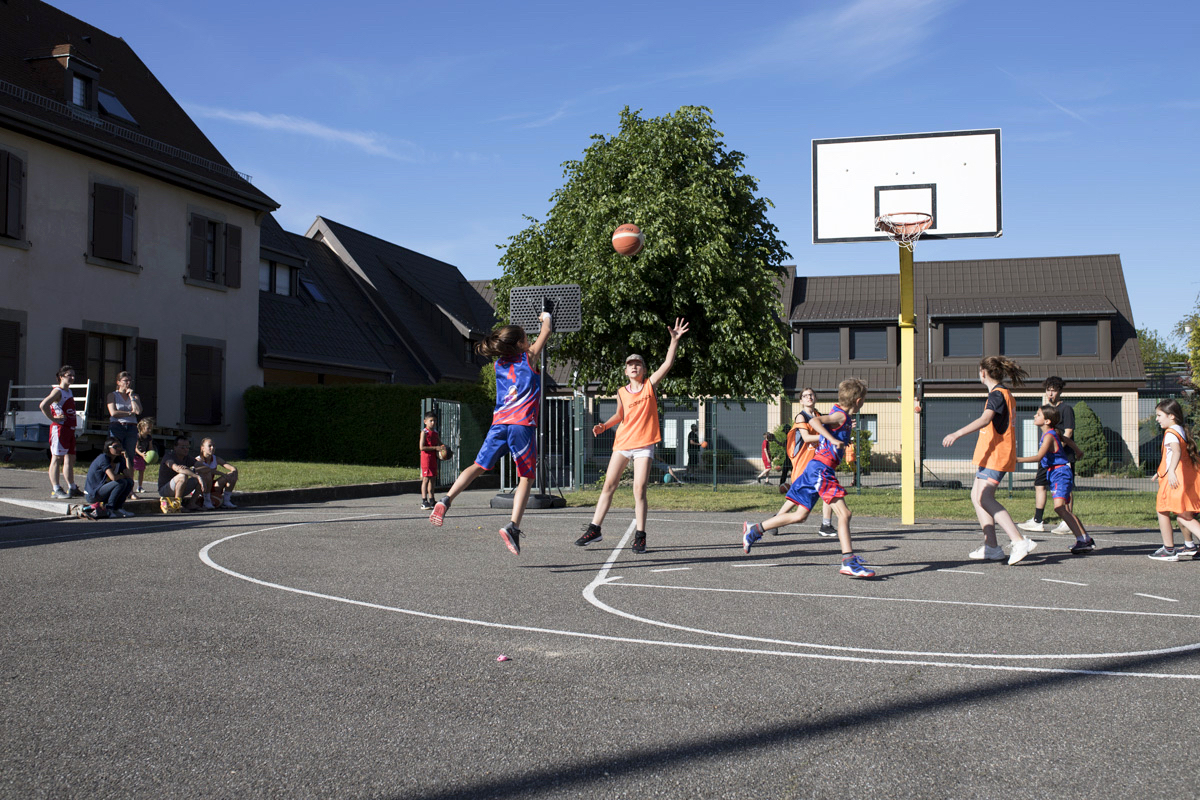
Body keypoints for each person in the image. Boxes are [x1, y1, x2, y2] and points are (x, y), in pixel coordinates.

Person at [430, 312, 553, 556]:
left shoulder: (499, 364)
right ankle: (513, 526)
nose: (529, 341)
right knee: (526, 478)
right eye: (526, 338)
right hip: (521, 424)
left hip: (499, 423)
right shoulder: (528, 357)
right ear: (519, 344)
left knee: (477, 466)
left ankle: (446, 500)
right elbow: (547, 330)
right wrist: (545, 316)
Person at [740, 378, 876, 579]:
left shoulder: (842, 416)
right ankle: (849, 561)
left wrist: (841, 432)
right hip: (821, 470)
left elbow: (833, 424)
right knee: (845, 514)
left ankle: (755, 529)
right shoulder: (839, 415)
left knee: (800, 516)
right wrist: (831, 438)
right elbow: (814, 421)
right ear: (858, 401)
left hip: (816, 469)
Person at [576, 318, 690, 554]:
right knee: (609, 485)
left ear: (644, 370)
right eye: (630, 364)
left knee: (639, 490)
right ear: (626, 371)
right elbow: (620, 415)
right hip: (623, 442)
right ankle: (594, 529)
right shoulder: (621, 391)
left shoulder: (650, 385)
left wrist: (674, 341)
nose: (634, 366)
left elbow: (668, 363)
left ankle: (640, 536)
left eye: (638, 364)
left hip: (644, 444)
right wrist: (604, 426)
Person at [942, 356, 1038, 565]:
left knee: (985, 498)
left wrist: (956, 434)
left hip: (997, 455)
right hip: (990, 455)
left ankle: (1019, 541)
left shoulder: (997, 394)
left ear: (983, 373)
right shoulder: (1003, 393)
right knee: (976, 496)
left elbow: (985, 419)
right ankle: (992, 547)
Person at [1016, 405, 1093, 554]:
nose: (1035, 416)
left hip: (1060, 473)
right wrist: (1078, 451)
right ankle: (1085, 539)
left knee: (1060, 508)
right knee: (1064, 509)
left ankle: (1082, 540)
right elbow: (1067, 440)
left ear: (1047, 421)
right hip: (1056, 472)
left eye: (1038, 414)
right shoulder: (1053, 433)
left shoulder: (1049, 436)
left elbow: (1039, 457)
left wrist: (1017, 460)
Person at [1018, 376, 1077, 534]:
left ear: (1060, 391)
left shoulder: (1066, 409)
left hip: (1062, 458)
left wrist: (1057, 449)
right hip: (1047, 458)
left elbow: (1068, 433)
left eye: (1054, 390)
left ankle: (1067, 522)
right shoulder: (1045, 411)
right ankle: (1037, 520)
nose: (1050, 393)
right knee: (1040, 484)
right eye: (1048, 390)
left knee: (1065, 488)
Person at [1148, 398, 1200, 561]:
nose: (1157, 419)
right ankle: (1181, 546)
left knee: (1163, 510)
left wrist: (1170, 471)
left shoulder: (1171, 433)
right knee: (1184, 515)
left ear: (1171, 416)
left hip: (1175, 479)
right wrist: (1161, 471)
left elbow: (1176, 452)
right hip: (1184, 476)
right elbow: (1171, 456)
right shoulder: (1180, 430)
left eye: (1159, 415)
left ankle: (1169, 549)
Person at [39, 365, 80, 499]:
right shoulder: (58, 391)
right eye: (69, 375)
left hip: (70, 428)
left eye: (73, 375)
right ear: (61, 377)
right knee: (57, 458)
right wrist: (53, 418)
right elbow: (43, 405)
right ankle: (56, 488)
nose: (72, 378)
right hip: (60, 429)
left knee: (70, 458)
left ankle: (72, 487)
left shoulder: (69, 391)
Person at [82, 436, 135, 518]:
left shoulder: (119, 459)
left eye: (120, 446)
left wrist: (127, 458)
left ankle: (118, 508)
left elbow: (129, 476)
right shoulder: (103, 458)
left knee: (129, 482)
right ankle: (109, 509)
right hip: (93, 494)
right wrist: (124, 476)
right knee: (121, 482)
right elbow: (113, 477)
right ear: (108, 448)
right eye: (115, 447)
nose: (119, 449)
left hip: (105, 491)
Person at [105, 371, 142, 469]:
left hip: (131, 427)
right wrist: (129, 413)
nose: (128, 383)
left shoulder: (134, 396)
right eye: (125, 381)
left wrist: (132, 397)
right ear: (118, 382)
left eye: (130, 381)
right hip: (117, 426)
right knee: (115, 452)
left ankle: (128, 474)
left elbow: (138, 411)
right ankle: (113, 473)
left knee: (130, 454)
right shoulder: (113, 395)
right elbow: (113, 413)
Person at [158, 435, 203, 511]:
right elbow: (177, 469)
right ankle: (177, 504)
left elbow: (204, 467)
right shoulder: (169, 456)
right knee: (183, 476)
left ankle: (192, 504)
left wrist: (192, 470)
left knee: (202, 476)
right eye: (182, 447)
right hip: (165, 490)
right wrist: (195, 475)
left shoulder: (187, 457)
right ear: (175, 447)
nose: (186, 449)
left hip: (180, 487)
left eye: (187, 447)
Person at [194, 438, 238, 509]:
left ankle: (227, 501)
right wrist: (222, 474)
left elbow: (230, 466)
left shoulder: (216, 458)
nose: (212, 448)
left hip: (211, 484)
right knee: (207, 474)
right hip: (201, 486)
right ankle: (206, 501)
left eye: (214, 446)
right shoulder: (198, 460)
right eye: (209, 446)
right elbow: (208, 470)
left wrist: (234, 471)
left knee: (232, 474)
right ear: (202, 448)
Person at [418, 411, 441, 510]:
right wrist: (435, 448)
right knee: (426, 479)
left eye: (434, 421)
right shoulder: (424, 432)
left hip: (433, 459)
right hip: (426, 459)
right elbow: (422, 447)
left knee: (432, 479)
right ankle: (424, 501)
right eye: (431, 420)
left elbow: (439, 443)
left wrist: (445, 449)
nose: (433, 423)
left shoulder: (435, 433)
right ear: (425, 421)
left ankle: (432, 500)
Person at [132, 416, 156, 496]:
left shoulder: (149, 437)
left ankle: (140, 486)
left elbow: (150, 447)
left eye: (151, 428)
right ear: (142, 427)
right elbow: (135, 448)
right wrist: (141, 454)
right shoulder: (138, 436)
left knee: (141, 471)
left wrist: (152, 454)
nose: (150, 430)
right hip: (136, 456)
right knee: (132, 471)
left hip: (143, 456)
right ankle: (131, 486)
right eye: (148, 428)